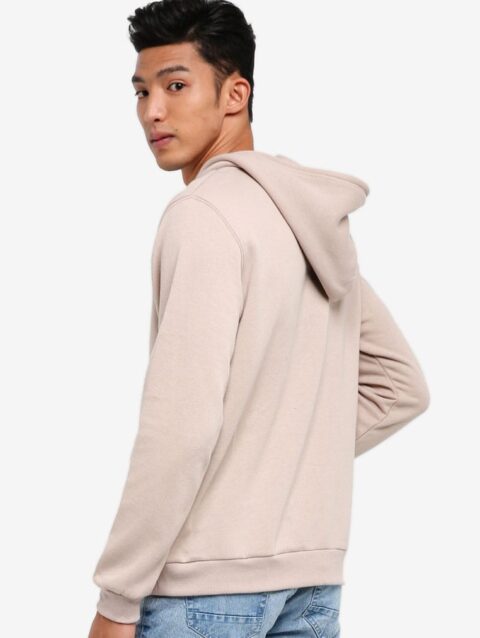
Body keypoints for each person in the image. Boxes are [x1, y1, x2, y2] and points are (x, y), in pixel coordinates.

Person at [88, 1, 430, 637]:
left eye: (175, 85)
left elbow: (180, 429)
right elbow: (399, 386)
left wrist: (117, 598)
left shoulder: (202, 216)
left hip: (204, 590)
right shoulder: (307, 221)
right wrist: (277, 464)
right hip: (312, 583)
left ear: (235, 94)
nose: (152, 111)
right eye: (141, 91)